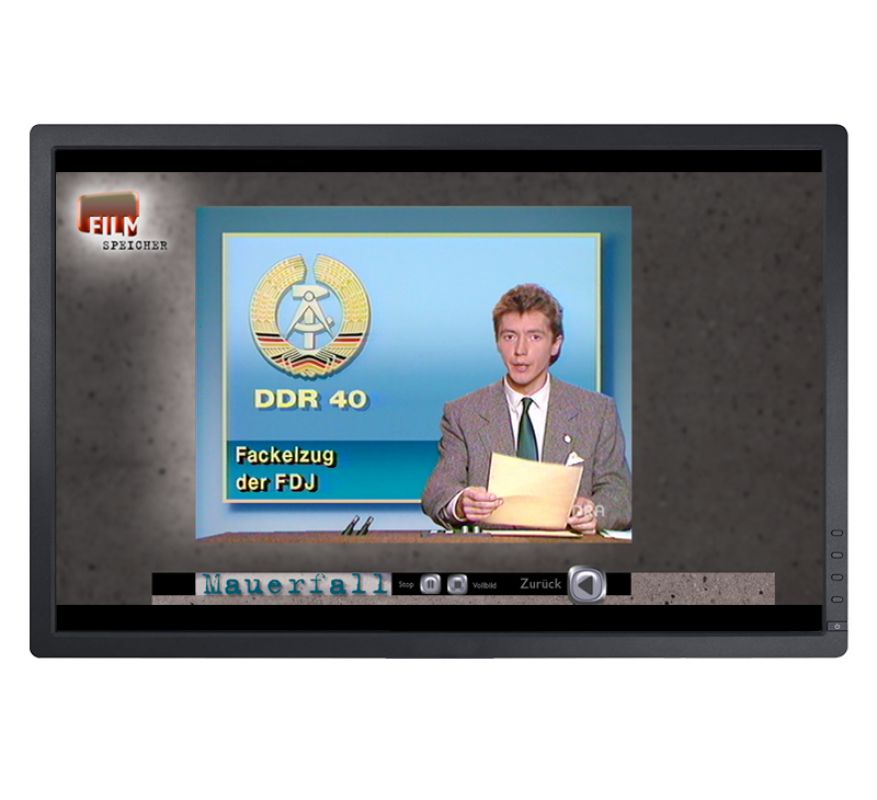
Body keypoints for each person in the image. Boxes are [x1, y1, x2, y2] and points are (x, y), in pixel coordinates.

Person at [421, 283, 632, 533]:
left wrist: (594, 511)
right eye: (509, 337)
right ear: (498, 342)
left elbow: (620, 498)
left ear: (556, 344)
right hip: (490, 554)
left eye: (534, 337)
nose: (520, 351)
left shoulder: (597, 412)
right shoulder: (463, 413)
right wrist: (461, 503)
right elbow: (437, 492)